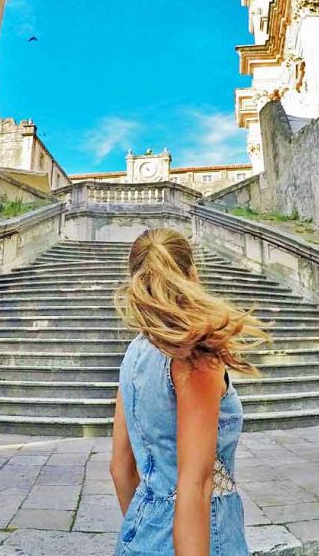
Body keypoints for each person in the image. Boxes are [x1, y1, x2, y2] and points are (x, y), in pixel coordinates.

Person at [110, 228, 267, 556]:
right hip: (204, 537)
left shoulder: (135, 352)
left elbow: (120, 468)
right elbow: (195, 485)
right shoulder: (195, 356)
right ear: (192, 275)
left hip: (140, 531)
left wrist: (153, 529)